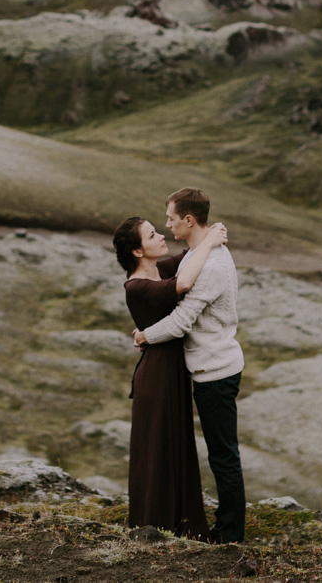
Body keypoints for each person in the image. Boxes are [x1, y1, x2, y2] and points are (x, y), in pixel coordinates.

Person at [133, 186, 245, 544]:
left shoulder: (208, 265)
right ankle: (226, 526)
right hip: (215, 365)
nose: (167, 225)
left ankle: (229, 534)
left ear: (188, 219)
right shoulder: (201, 253)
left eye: (169, 218)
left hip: (215, 372)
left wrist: (145, 336)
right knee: (221, 452)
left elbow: (181, 322)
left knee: (223, 455)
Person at [114, 214, 227, 540]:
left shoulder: (159, 268)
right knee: (158, 449)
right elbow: (183, 283)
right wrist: (209, 241)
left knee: (176, 444)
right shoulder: (137, 286)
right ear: (137, 251)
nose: (161, 236)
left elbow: (189, 256)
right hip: (157, 378)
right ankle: (154, 525)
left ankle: (178, 524)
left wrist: (210, 231)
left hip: (171, 373)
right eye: (152, 235)